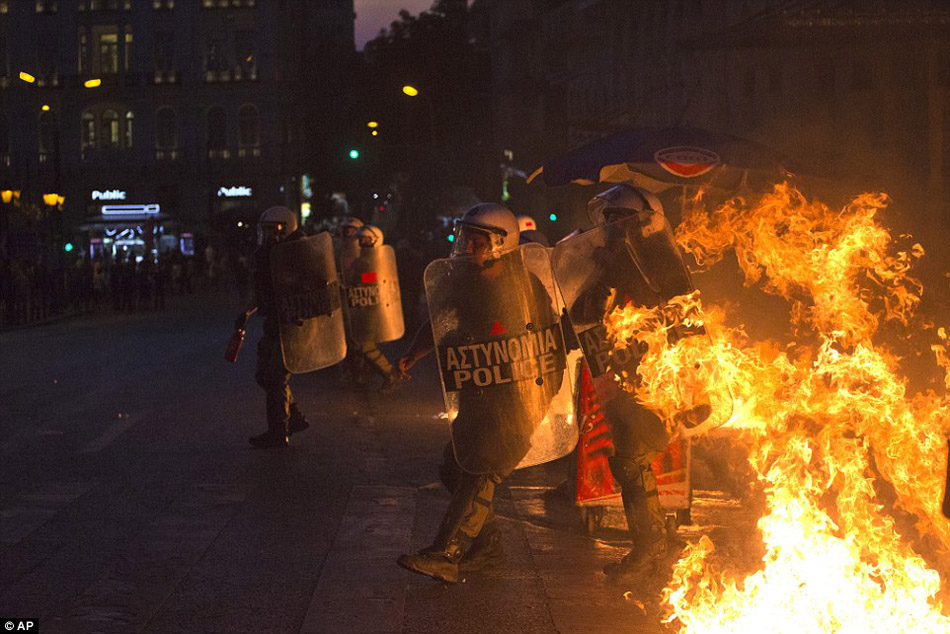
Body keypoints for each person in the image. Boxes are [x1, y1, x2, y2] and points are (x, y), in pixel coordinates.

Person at [396, 203, 564, 583]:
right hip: (479, 391)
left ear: (500, 245)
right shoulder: (466, 283)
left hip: (518, 397)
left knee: (481, 469)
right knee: (455, 465)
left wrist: (531, 405)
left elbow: (547, 347)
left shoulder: (525, 288)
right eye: (465, 238)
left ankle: (446, 553)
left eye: (476, 241)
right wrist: (414, 353)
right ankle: (486, 546)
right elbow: (441, 320)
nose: (467, 248)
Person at [562, 184, 700, 584]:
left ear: (644, 224)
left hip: (655, 378)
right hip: (616, 375)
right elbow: (584, 314)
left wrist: (692, 381)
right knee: (630, 463)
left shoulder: (662, 264)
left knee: (634, 461)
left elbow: (684, 321)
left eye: (622, 220)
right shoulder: (602, 265)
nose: (614, 227)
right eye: (609, 220)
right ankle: (649, 548)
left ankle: (648, 550)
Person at [234, 206, 311, 449]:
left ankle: (278, 432)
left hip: (292, 322)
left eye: (272, 230)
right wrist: (246, 312)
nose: (267, 235)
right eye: (265, 230)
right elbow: (263, 290)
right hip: (273, 321)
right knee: (264, 375)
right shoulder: (268, 254)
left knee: (276, 377)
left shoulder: (298, 254)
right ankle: (294, 418)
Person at [345, 224, 403, 392]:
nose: (362, 242)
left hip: (370, 309)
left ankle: (390, 374)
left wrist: (356, 281)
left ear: (375, 241)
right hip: (361, 307)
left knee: (362, 343)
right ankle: (365, 373)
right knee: (358, 343)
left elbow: (371, 279)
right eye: (360, 239)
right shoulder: (361, 258)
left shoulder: (374, 260)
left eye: (365, 239)